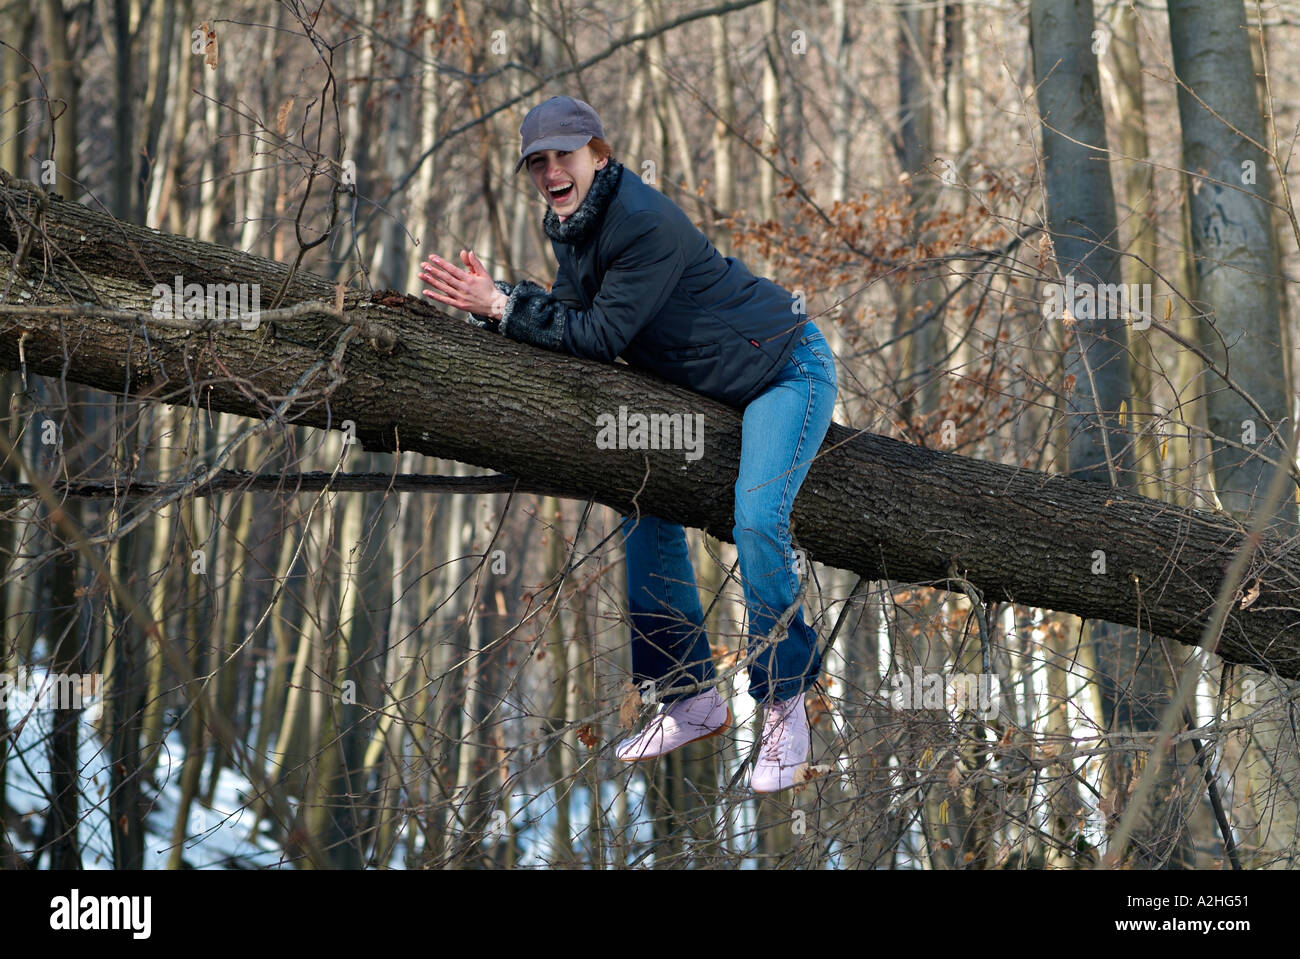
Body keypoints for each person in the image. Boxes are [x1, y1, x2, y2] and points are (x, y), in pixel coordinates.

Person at [419, 96, 837, 793]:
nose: (551, 169)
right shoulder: (572, 226)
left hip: (782, 370)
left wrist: (502, 305)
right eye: (538, 161)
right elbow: (568, 330)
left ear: (599, 155)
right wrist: (493, 314)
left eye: (565, 154)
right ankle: (690, 694)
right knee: (643, 499)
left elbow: (601, 337)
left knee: (759, 518)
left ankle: (785, 701)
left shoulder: (642, 221)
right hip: (703, 391)